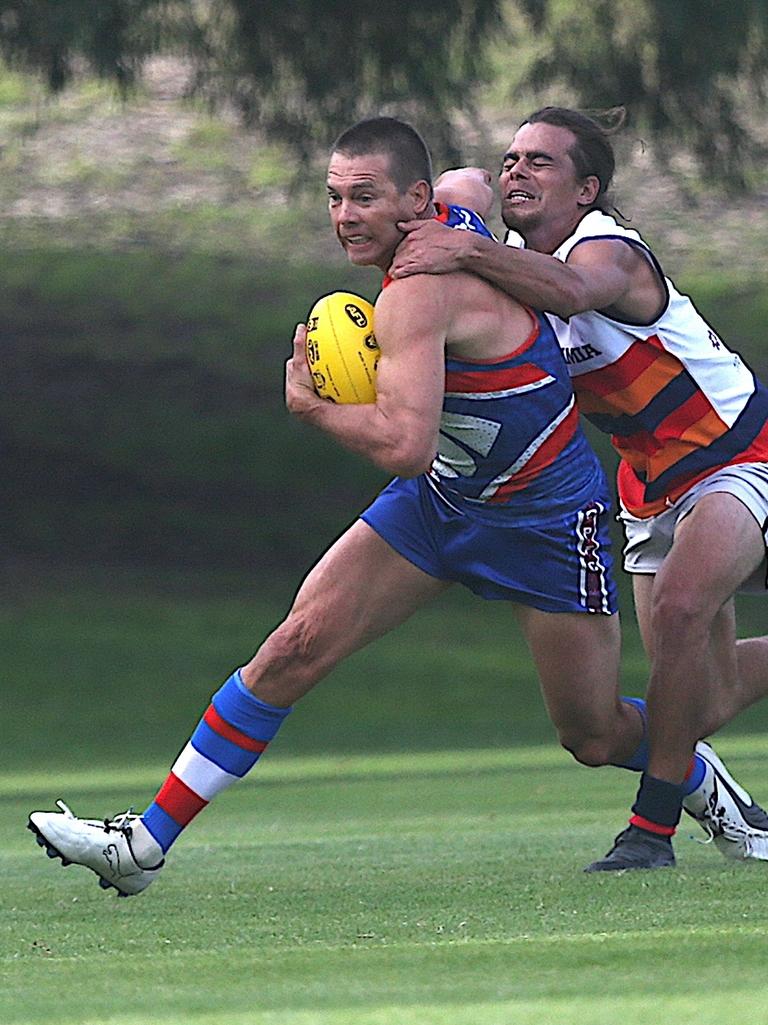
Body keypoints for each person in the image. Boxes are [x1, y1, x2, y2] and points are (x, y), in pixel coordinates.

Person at [27, 117, 749, 897]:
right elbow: (468, 185)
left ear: (406, 200)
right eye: (335, 197)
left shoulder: (422, 293)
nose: (344, 216)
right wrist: (443, 202)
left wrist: (314, 409)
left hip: (545, 515)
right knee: (293, 646)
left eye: (363, 198)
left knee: (594, 732)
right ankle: (143, 843)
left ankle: (691, 768)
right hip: (439, 501)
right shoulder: (453, 214)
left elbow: (403, 443)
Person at [389, 105, 768, 870]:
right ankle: (677, 808)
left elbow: (568, 289)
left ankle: (651, 831)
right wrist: (459, 202)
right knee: (706, 695)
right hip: (650, 483)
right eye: (511, 159)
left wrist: (460, 241)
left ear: (587, 188)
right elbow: (462, 187)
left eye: (542, 161)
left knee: (685, 610)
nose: (517, 171)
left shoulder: (606, 251)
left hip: (736, 452)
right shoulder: (506, 263)